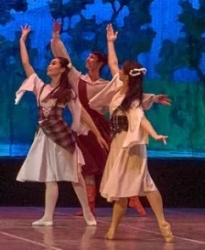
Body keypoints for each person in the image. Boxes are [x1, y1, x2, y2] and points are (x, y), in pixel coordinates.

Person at [50, 20, 148, 217]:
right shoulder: (77, 78)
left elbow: (126, 96)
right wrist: (56, 39)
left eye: (92, 57)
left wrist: (151, 99)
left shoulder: (106, 85)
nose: (88, 59)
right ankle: (90, 206)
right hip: (82, 127)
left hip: (102, 127)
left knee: (115, 162)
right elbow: (64, 60)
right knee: (87, 166)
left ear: (100, 63)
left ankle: (132, 196)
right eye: (88, 57)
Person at [14, 24, 106, 227]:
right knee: (50, 177)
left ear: (62, 69)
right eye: (50, 63)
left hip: (61, 135)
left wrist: (96, 133)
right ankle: (48, 216)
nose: (49, 66)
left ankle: (88, 213)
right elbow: (26, 63)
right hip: (44, 135)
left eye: (54, 63)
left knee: (75, 176)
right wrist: (22, 40)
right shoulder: (40, 86)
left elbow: (81, 114)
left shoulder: (67, 92)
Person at [94, 24, 173, 243]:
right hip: (118, 143)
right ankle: (113, 228)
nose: (118, 71)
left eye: (122, 70)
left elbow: (142, 119)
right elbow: (112, 63)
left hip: (130, 145)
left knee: (145, 183)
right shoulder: (119, 87)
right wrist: (110, 42)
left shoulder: (132, 99)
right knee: (120, 185)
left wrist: (155, 135)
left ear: (127, 77)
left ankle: (162, 223)